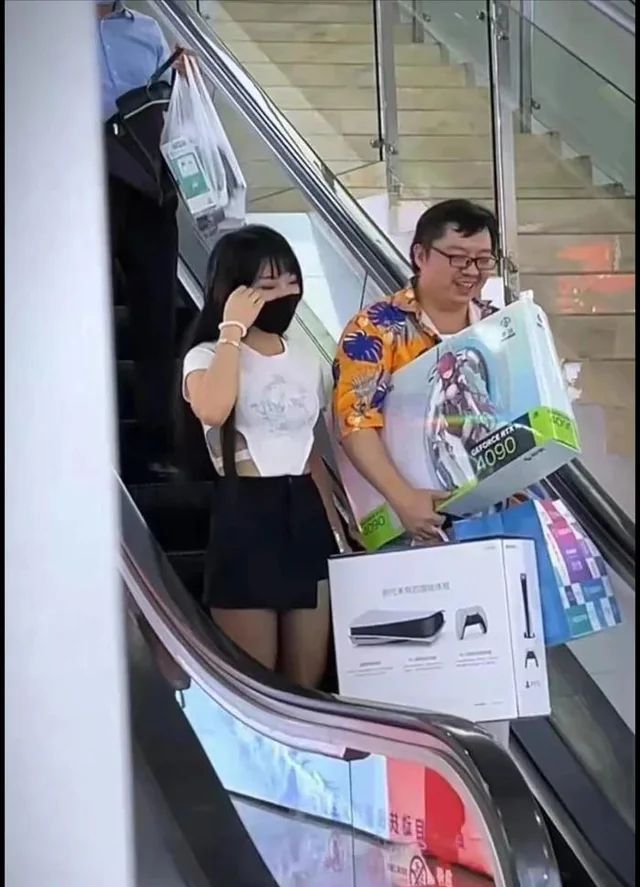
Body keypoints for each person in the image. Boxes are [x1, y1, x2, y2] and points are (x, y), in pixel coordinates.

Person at [179, 226, 345, 689]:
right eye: (267, 285)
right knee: (255, 680)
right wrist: (232, 330)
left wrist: (336, 531)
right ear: (233, 291)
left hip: (305, 512)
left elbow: (310, 452)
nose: (284, 293)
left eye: (291, 280)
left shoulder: (306, 358)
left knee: (307, 678)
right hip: (246, 513)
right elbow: (212, 409)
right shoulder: (206, 356)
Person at [332, 199, 500, 543]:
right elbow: (355, 422)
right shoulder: (375, 328)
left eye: (483, 259)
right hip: (407, 521)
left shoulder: (498, 326)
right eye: (458, 258)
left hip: (490, 517)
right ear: (420, 255)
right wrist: (404, 499)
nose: (471, 271)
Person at [96, 0, 187, 477]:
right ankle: (86, 435)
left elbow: (167, 106)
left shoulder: (146, 30)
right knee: (83, 316)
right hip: (80, 181)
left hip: (146, 183)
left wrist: (185, 81)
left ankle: (157, 441)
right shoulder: (43, 33)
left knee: (157, 313)